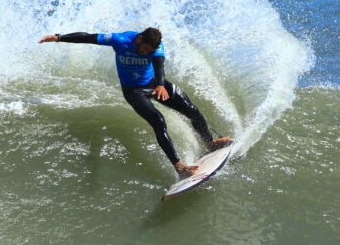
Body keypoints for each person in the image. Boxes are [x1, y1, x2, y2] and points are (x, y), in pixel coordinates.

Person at [39, 27, 233, 177]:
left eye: (150, 51)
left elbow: (159, 65)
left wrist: (160, 85)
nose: (145, 53)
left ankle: (209, 142)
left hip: (155, 83)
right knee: (158, 121)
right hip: (134, 91)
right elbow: (89, 37)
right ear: (139, 39)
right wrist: (58, 37)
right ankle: (179, 165)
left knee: (192, 110)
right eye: (145, 49)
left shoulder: (156, 48)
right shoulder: (120, 40)